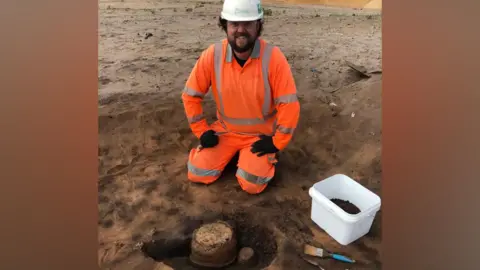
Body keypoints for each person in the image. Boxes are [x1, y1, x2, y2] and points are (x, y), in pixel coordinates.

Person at [181, 0, 300, 194]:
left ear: (258, 26)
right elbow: (190, 95)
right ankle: (234, 157)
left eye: (247, 24)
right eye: (234, 24)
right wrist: (201, 131)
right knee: (197, 173)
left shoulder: (273, 58)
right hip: (225, 132)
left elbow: (289, 105)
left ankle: (253, 159)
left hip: (259, 137)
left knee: (252, 183)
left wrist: (276, 142)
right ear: (225, 25)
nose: (240, 30)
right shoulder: (213, 55)